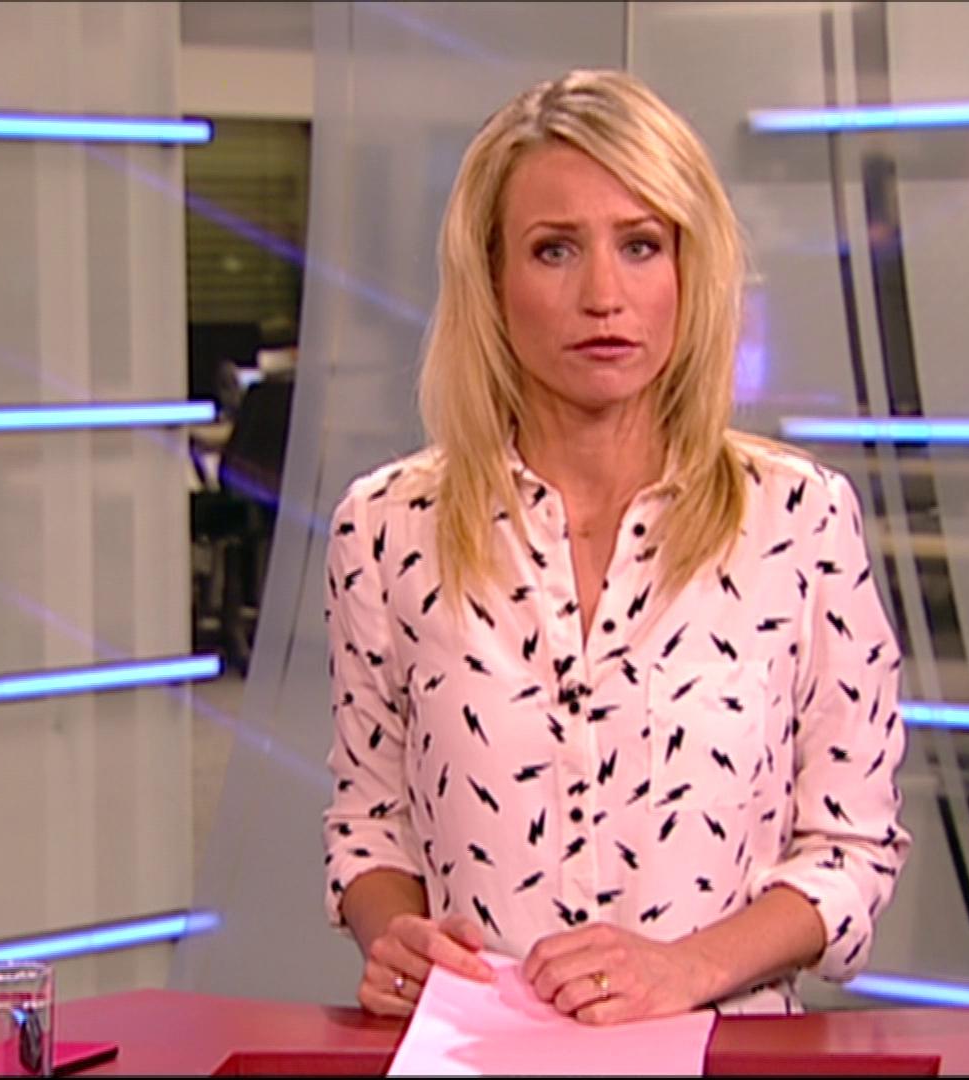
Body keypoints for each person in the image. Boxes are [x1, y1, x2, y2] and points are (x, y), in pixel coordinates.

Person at [321, 68, 908, 1024]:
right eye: (554, 250)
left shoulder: (801, 521)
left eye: (640, 245)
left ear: (688, 270)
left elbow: (851, 848)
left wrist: (686, 971)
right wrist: (396, 936)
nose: (604, 295)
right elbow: (370, 826)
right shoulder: (387, 529)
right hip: (482, 1055)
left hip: (721, 1050)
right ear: (492, 280)